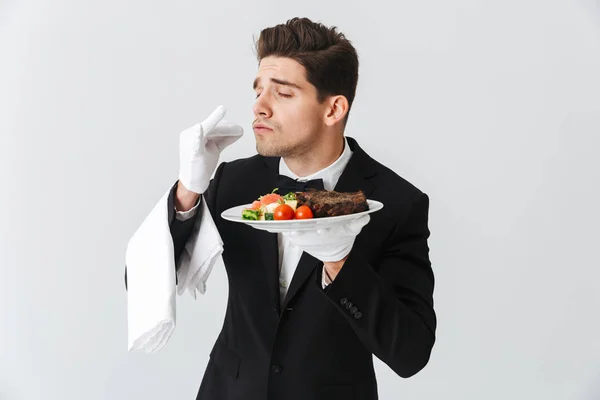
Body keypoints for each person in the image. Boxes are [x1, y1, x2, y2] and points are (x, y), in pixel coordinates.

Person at [126, 17, 436, 400]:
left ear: (334, 109)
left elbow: (411, 353)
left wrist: (341, 264)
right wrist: (187, 192)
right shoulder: (232, 183)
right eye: (258, 91)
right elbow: (144, 280)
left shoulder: (396, 202)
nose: (259, 107)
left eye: (283, 94)